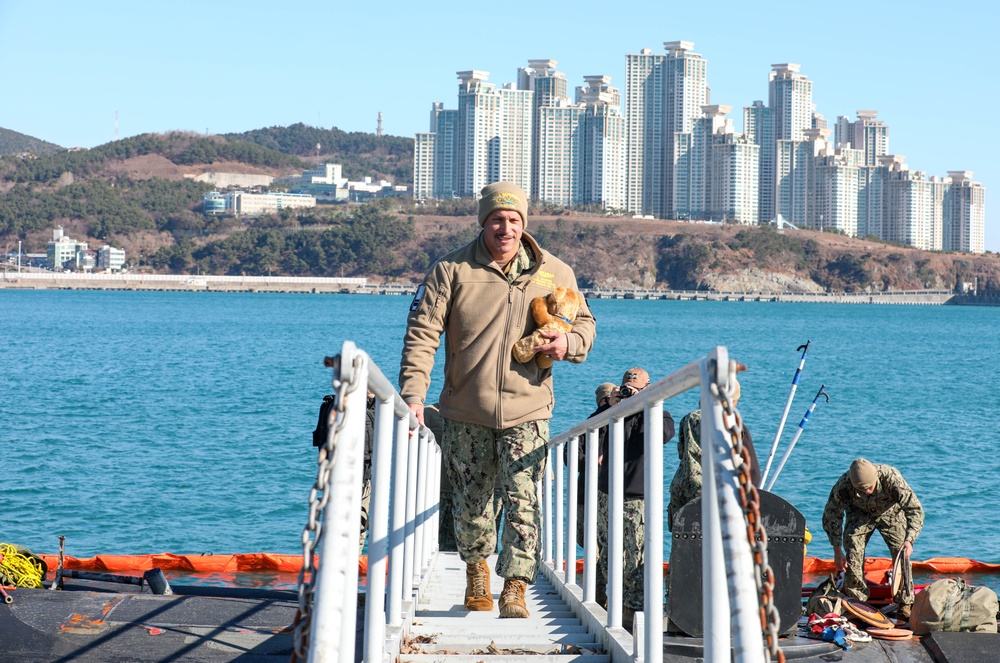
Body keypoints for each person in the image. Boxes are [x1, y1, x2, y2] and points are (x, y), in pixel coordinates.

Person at [399, 181, 596, 619]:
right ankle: (476, 573)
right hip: (465, 409)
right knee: (471, 500)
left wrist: (569, 345)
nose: (505, 228)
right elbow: (422, 335)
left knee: (523, 499)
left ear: (524, 223)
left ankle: (515, 587)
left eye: (513, 220)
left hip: (529, 409)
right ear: (483, 222)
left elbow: (585, 326)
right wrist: (414, 394)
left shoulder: (554, 272)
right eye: (496, 220)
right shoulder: (450, 270)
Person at [595, 367, 675, 631]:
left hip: (635, 495)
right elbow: (591, 432)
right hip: (608, 492)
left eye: (635, 388)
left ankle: (634, 611)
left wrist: (643, 403)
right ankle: (614, 602)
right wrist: (613, 404)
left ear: (648, 387)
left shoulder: (654, 410)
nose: (629, 390)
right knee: (607, 552)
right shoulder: (612, 411)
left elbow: (664, 433)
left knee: (636, 556)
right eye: (626, 386)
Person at [821, 458, 924, 620]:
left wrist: (910, 540)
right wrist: (836, 549)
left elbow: (915, 510)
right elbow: (832, 515)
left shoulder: (891, 479)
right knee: (853, 552)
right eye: (861, 489)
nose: (867, 492)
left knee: (901, 553)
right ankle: (856, 603)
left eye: (870, 487)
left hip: (891, 513)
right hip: (859, 513)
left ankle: (904, 603)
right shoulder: (844, 486)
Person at [667, 374, 760, 532]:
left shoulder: (688, 419)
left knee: (684, 543)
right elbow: (750, 468)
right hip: (718, 494)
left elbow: (682, 453)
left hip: (684, 489)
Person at [568, 382, 619, 607]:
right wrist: (592, 461)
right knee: (593, 545)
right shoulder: (591, 424)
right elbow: (570, 456)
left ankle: (603, 595)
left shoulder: (623, 421)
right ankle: (599, 596)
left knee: (601, 545)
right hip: (589, 493)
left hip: (605, 493)